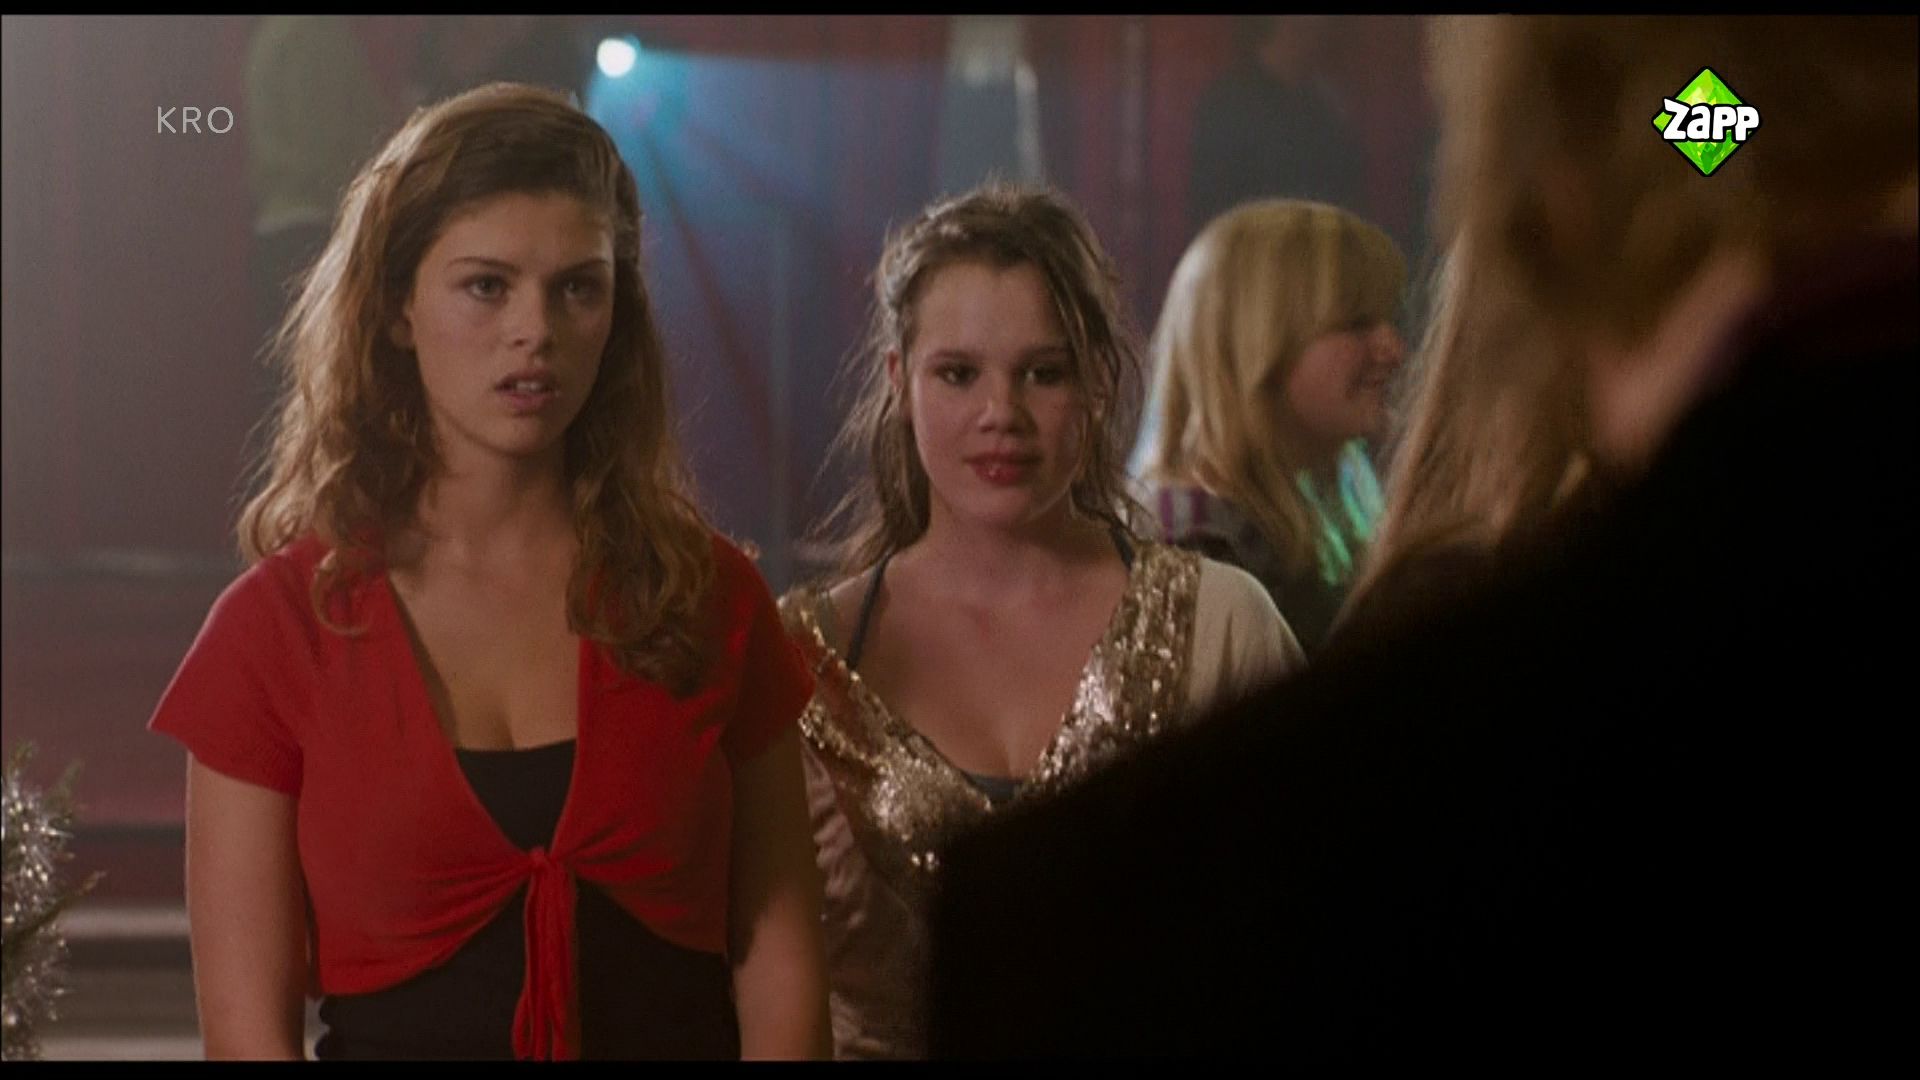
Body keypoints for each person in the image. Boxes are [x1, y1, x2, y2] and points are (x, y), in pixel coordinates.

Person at [930, 15, 1917, 1063]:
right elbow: (1721, 136)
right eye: (1353, 322)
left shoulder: (1116, 906)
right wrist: (1785, 136)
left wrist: (1722, 130)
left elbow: (1699, 136)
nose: (1389, 347)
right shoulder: (1287, 574)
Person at [149, 84, 830, 1061]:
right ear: (397, 308)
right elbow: (249, 1040)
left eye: (577, 288)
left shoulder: (707, 597)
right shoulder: (276, 628)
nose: (534, 330)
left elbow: (785, 982)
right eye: (486, 285)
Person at [782, 183, 1304, 1058]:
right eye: (959, 374)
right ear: (899, 383)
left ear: (1097, 381)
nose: (1002, 415)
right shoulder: (802, 658)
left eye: (1043, 373)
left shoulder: (1220, 622)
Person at [1135, 199, 1407, 653]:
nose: (1392, 349)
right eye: (1357, 323)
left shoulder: (1321, 503)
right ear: (1256, 343)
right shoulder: (1195, 546)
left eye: (1388, 319)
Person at [1186, 16, 1367, 239]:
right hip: (1253, 254)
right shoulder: (1229, 103)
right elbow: (1211, 212)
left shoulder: (1323, 104)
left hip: (1321, 252)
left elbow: (1346, 197)